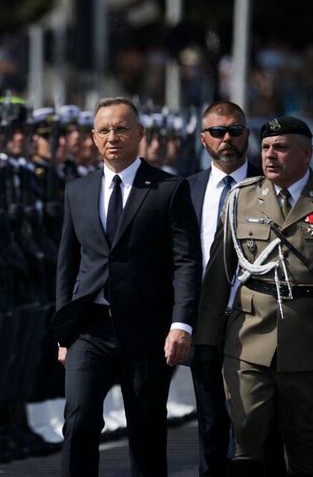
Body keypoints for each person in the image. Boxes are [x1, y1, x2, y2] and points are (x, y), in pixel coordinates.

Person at [196, 116, 313, 475]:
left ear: (306, 154)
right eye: (266, 148)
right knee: (246, 439)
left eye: (281, 148)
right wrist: (204, 340)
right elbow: (219, 276)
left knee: (307, 449)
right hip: (250, 340)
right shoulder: (242, 198)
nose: (271, 156)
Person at [53, 97, 201, 476]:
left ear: (139, 134)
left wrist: (181, 323)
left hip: (146, 331)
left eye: (121, 128)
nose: (112, 136)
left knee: (146, 433)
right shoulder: (77, 191)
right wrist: (64, 331)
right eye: (104, 130)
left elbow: (186, 261)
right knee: (80, 421)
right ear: (93, 137)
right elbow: (67, 265)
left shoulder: (168, 188)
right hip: (89, 329)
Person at [186, 100, 260, 476]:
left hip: (257, 321)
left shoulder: (271, 183)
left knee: (250, 423)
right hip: (206, 322)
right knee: (212, 424)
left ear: (248, 134)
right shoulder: (187, 190)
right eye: (217, 132)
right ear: (204, 139)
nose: (226, 139)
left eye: (234, 130)